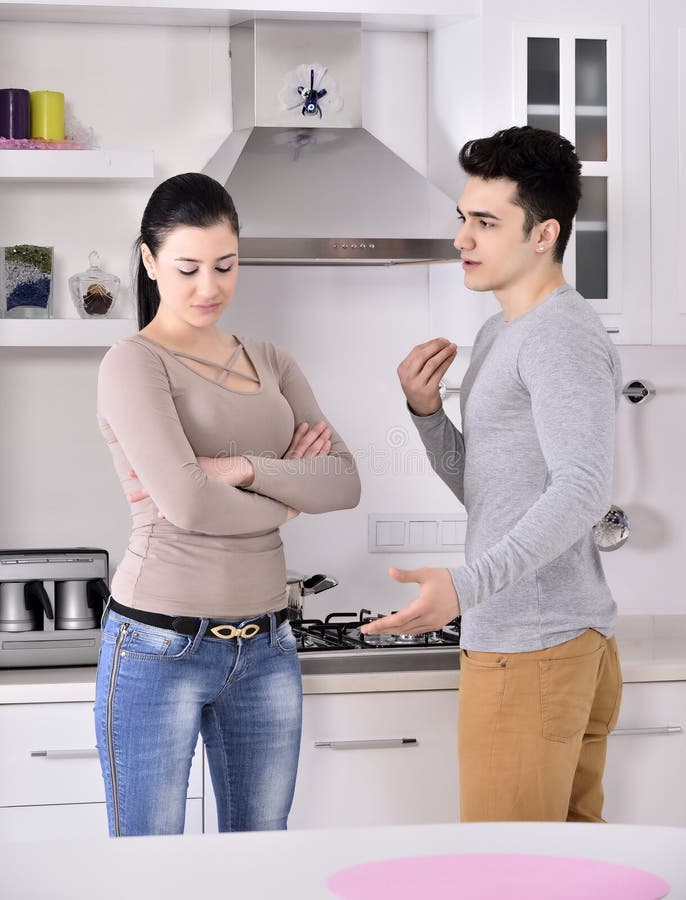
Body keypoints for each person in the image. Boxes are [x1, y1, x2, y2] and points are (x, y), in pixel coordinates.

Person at [362, 126, 623, 824]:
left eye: (485, 222)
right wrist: (425, 412)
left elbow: (582, 489)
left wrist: (465, 586)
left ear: (543, 235)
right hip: (545, 641)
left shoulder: (557, 335)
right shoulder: (503, 333)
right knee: (564, 873)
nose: (462, 240)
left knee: (507, 873)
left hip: (530, 648)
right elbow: (492, 490)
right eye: (462, 219)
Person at [94, 172, 361, 837]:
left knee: (261, 861)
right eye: (187, 268)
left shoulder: (269, 359)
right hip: (160, 644)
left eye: (225, 265)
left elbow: (344, 482)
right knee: (148, 868)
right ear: (151, 262)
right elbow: (188, 504)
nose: (208, 286)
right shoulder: (133, 363)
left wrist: (244, 468)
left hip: (267, 645)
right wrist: (287, 499)